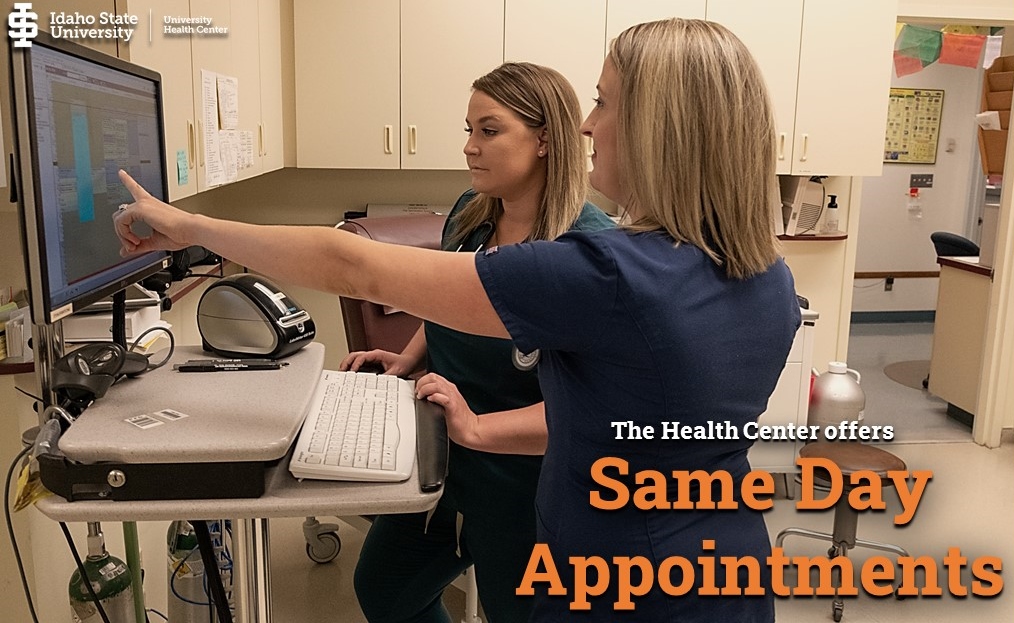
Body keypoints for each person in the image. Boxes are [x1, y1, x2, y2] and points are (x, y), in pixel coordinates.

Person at [113, 18, 799, 622]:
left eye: (604, 101)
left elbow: (354, 266)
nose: (588, 124)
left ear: (660, 127)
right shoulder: (767, 277)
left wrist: (189, 225)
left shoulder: (605, 272)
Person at [343, 62, 614, 623]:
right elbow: (455, 303)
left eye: (488, 131)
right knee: (384, 592)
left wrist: (478, 427)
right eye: (468, 130)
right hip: (442, 456)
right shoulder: (470, 216)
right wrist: (410, 357)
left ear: (544, 139)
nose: (469, 147)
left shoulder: (591, 254)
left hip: (526, 483)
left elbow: (598, 407)